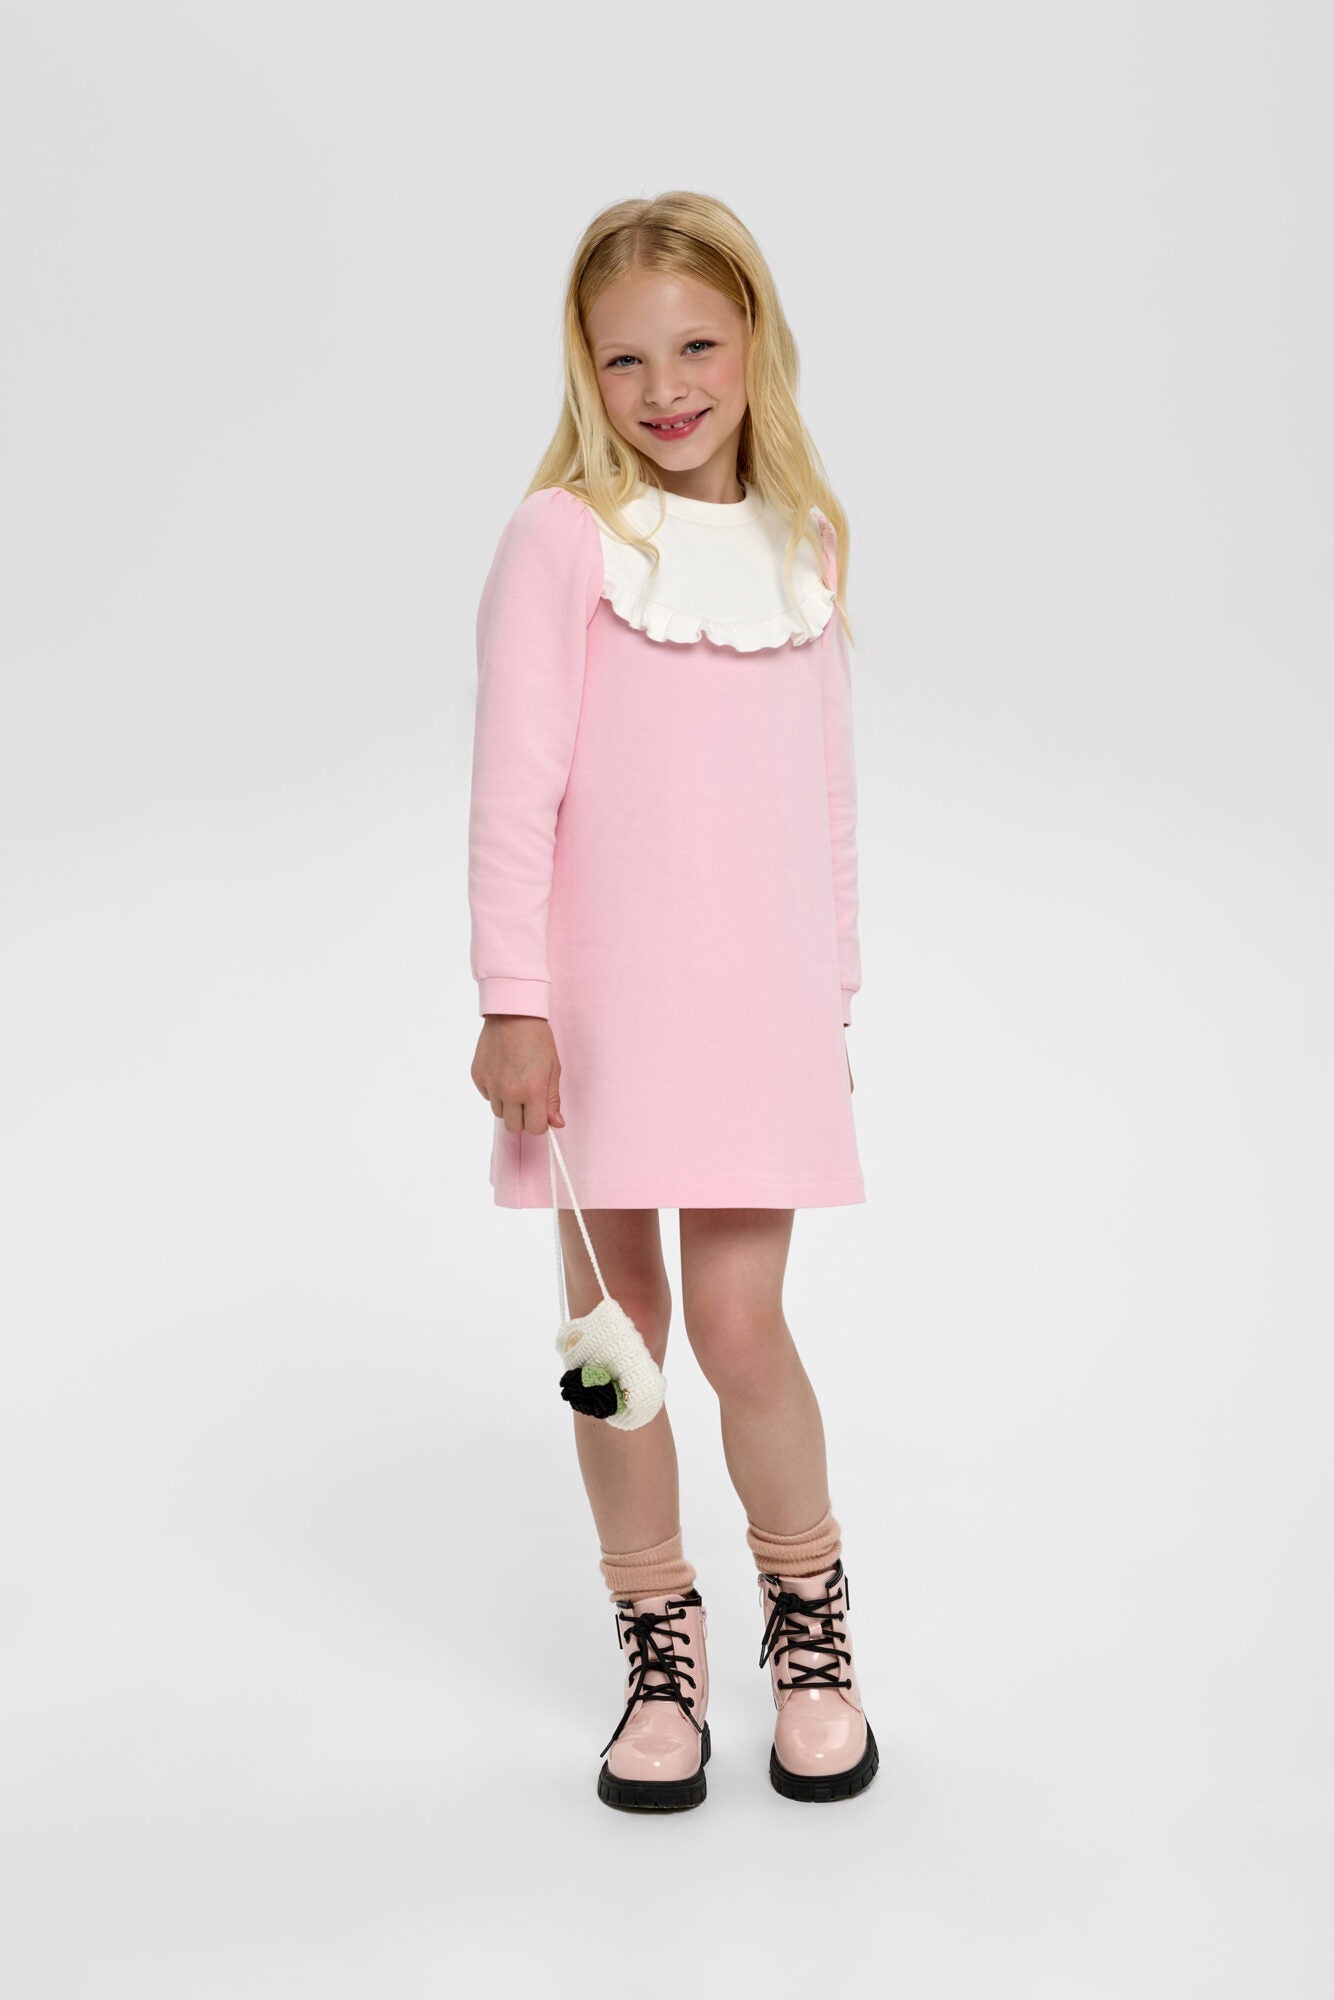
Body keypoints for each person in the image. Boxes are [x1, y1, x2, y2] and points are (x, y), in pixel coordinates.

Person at [467, 190, 879, 1812]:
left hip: (756, 1016)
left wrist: (830, 993)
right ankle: (656, 1646)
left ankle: (811, 1637)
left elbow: (823, 798)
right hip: (595, 1020)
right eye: (625, 358)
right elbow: (515, 787)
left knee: (738, 1325)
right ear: (585, 368)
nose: (665, 388)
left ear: (754, 339)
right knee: (609, 1339)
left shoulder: (804, 542)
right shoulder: (562, 538)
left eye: (697, 345)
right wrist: (512, 999)